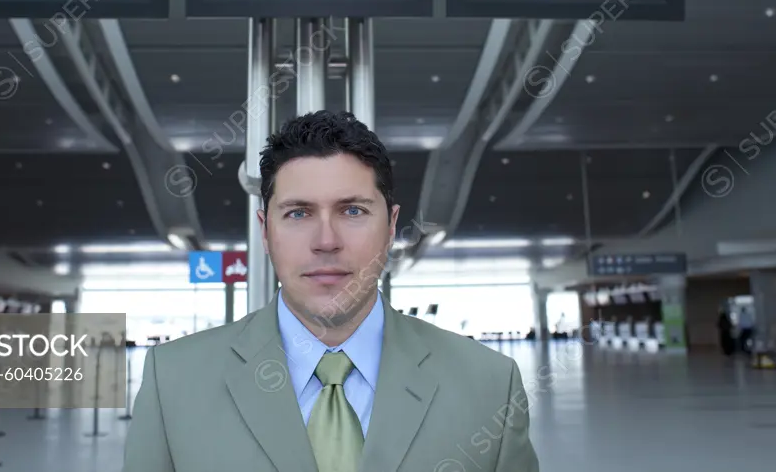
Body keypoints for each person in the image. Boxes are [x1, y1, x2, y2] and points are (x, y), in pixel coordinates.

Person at [123, 111, 539, 472]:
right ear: (265, 230)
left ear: (391, 227)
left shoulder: (488, 384)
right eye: (298, 213)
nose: (326, 240)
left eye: (353, 210)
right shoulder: (174, 381)